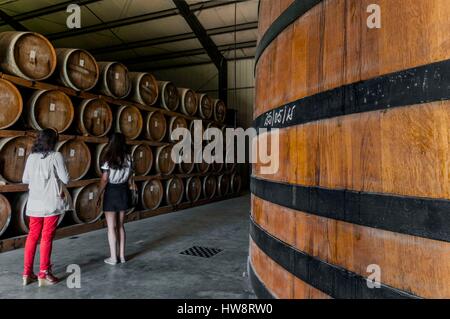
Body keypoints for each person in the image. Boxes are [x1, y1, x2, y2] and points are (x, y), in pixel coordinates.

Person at [22, 129, 70, 287]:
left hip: (34, 204)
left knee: (32, 236)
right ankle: (44, 272)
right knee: (46, 238)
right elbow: (66, 179)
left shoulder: (31, 157)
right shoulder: (56, 156)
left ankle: (27, 273)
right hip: (50, 204)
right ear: (54, 141)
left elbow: (25, 179)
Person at [97, 133, 134, 265]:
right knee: (121, 226)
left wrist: (98, 193)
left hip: (112, 192)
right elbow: (130, 176)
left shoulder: (108, 158)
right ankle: (122, 256)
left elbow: (105, 179)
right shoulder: (129, 158)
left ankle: (113, 258)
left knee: (111, 227)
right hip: (123, 191)